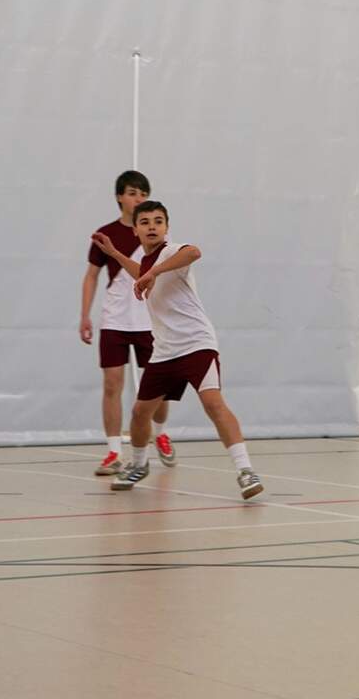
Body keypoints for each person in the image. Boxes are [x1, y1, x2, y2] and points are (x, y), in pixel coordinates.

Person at [89, 201, 264, 499]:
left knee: (213, 403)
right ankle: (140, 464)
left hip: (196, 343)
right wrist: (115, 254)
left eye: (158, 221)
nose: (152, 226)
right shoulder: (146, 263)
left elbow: (194, 252)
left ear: (167, 228)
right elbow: (140, 272)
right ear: (135, 230)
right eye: (145, 222)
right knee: (140, 412)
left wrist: (153, 272)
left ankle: (246, 471)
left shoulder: (172, 252)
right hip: (165, 350)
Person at [79, 170, 173, 476]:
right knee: (112, 384)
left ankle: (159, 432)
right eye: (133, 193)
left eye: (144, 194)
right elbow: (91, 275)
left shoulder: (156, 236)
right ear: (120, 196)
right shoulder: (105, 234)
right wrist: (84, 315)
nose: (139, 199)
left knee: (156, 387)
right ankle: (113, 451)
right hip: (114, 320)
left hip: (149, 322)